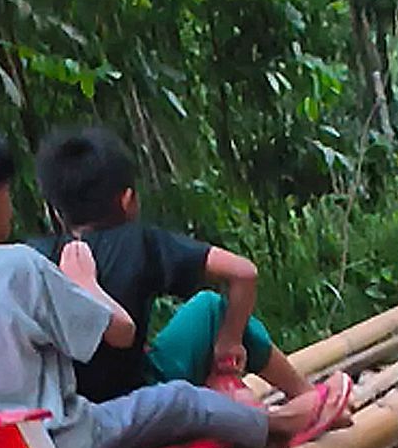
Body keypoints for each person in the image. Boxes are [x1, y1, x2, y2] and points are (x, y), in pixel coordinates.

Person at [0, 115, 351, 448]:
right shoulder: (17, 266)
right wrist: (86, 285)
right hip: (57, 443)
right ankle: (281, 421)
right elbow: (121, 332)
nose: (10, 204)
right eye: (4, 192)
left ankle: (290, 408)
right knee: (180, 400)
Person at [29, 126, 317, 409]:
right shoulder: (141, 242)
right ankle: (306, 394)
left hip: (69, 412)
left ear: (57, 213)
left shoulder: (34, 257)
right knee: (210, 307)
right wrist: (229, 343)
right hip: (140, 399)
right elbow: (244, 273)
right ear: (128, 200)